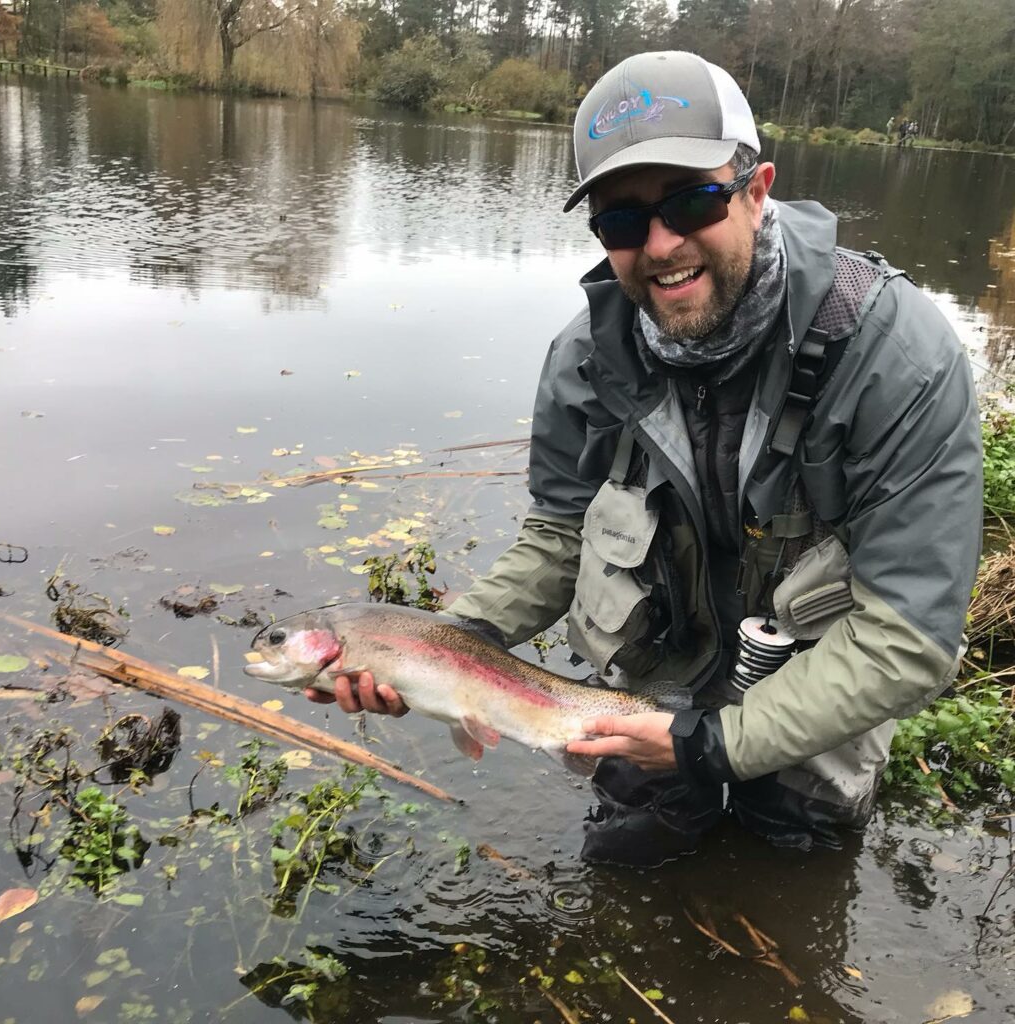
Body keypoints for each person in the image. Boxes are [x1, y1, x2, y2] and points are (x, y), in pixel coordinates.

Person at [307, 51, 982, 865]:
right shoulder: (584, 359)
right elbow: (559, 537)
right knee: (632, 861)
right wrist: (440, 647)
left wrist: (710, 745)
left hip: (823, 679)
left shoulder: (896, 353)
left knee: (797, 854)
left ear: (757, 189)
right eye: (623, 222)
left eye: (691, 200)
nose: (660, 245)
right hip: (654, 673)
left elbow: (910, 632)